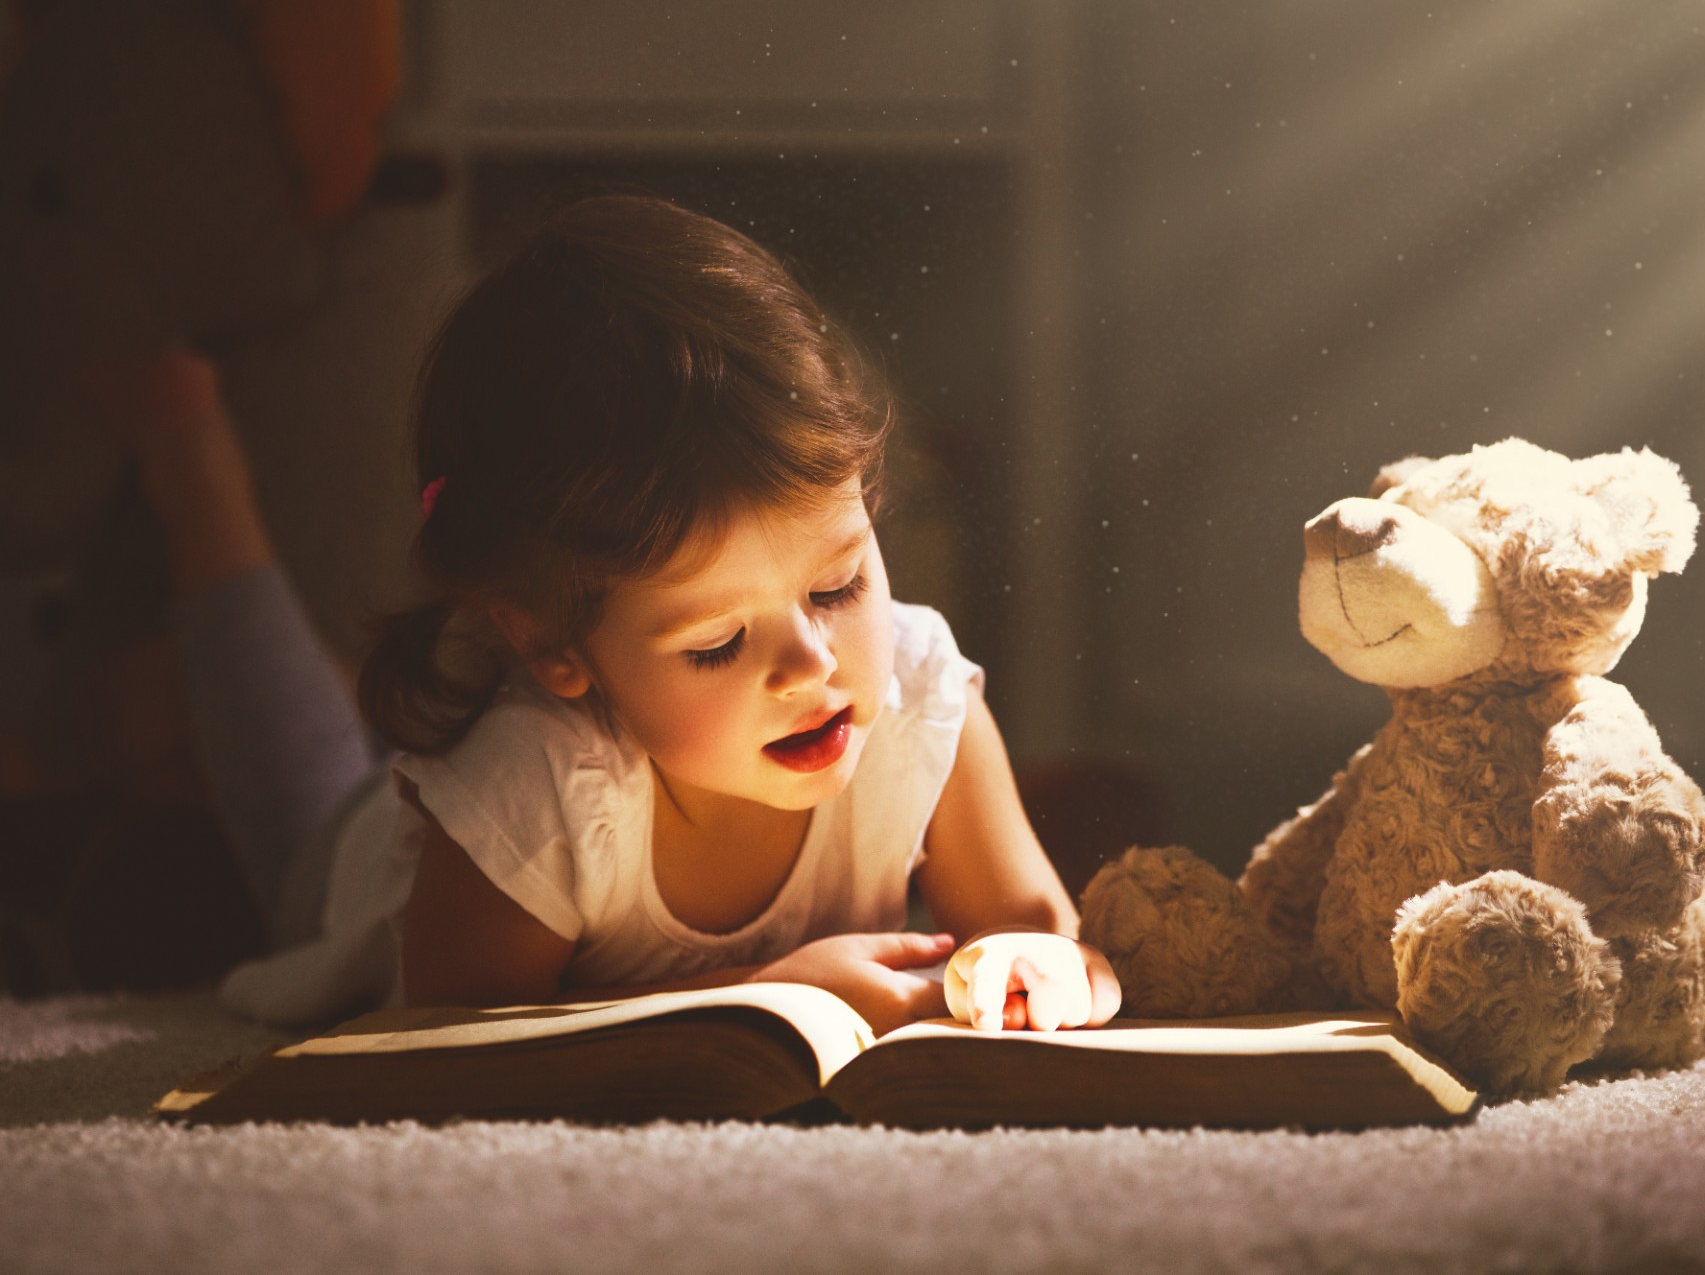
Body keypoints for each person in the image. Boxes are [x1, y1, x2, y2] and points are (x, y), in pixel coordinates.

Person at [106, 194, 1120, 1036]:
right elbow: (451, 1036)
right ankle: (196, 474)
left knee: (344, 738)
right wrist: (761, 997)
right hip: (368, 869)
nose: (814, 664)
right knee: (306, 794)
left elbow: (1047, 932)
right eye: (718, 642)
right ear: (549, 643)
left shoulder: (914, 692)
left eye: (838, 585)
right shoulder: (533, 786)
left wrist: (1043, 964)